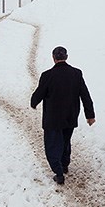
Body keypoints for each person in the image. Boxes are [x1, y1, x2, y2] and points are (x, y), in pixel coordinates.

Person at [30, 46, 95, 185]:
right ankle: (64, 165)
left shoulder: (47, 75)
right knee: (65, 141)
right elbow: (85, 95)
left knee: (53, 144)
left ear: (53, 58)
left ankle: (59, 173)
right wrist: (90, 115)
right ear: (66, 57)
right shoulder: (76, 73)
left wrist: (33, 102)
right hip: (70, 116)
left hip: (53, 118)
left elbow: (39, 93)